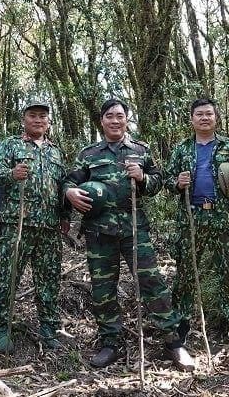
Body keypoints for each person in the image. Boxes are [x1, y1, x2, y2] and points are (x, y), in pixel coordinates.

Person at [64, 99, 195, 371]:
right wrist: (70, 193)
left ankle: (173, 341)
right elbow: (69, 180)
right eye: (109, 116)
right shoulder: (89, 154)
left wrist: (143, 178)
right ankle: (110, 343)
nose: (115, 120)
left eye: (120, 116)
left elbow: (159, 180)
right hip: (99, 231)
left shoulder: (140, 150)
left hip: (134, 226)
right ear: (101, 121)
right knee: (103, 288)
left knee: (151, 282)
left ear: (127, 120)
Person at [164, 98, 229, 338]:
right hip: (191, 218)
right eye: (199, 114)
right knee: (185, 271)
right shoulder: (182, 149)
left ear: (216, 118)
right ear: (191, 119)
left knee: (228, 270)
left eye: (209, 114)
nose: (204, 118)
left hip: (224, 217)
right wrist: (177, 183)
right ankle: (181, 323)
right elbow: (166, 180)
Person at [0, 101, 70, 353]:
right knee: (8, 277)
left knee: (49, 280)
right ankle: (1, 329)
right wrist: (12, 174)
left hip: (49, 226)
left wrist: (65, 216)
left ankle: (49, 329)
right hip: (17, 223)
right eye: (32, 116)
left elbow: (63, 186)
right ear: (24, 119)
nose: (38, 120)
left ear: (49, 122)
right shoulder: (11, 145)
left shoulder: (56, 152)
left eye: (42, 116)